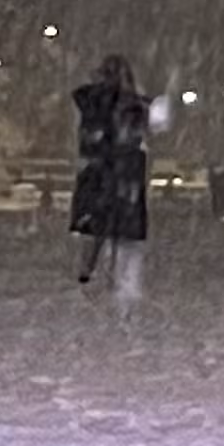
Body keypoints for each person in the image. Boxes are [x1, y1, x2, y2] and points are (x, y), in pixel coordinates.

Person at [69, 54, 149, 285]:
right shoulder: (126, 104)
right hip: (115, 170)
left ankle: (92, 268)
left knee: (98, 225)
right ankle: (104, 270)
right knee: (109, 224)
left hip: (104, 169)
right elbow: (135, 135)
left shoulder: (97, 101)